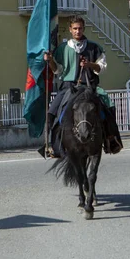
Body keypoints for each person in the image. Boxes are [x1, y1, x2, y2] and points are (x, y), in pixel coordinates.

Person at [44, 15, 123, 158]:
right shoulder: (62, 49)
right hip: (69, 87)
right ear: (70, 30)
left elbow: (101, 68)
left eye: (80, 28)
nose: (77, 31)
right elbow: (58, 70)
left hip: (89, 87)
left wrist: (89, 65)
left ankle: (111, 139)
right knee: (51, 112)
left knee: (109, 104)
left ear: (83, 28)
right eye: (75, 28)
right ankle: (51, 145)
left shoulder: (94, 47)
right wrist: (50, 61)